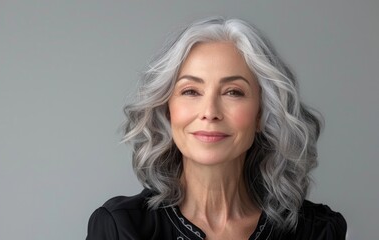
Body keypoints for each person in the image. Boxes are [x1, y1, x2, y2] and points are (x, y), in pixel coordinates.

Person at [86, 17, 347, 240]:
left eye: (233, 92)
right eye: (191, 91)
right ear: (168, 110)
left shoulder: (316, 231)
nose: (209, 112)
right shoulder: (121, 229)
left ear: (261, 114)